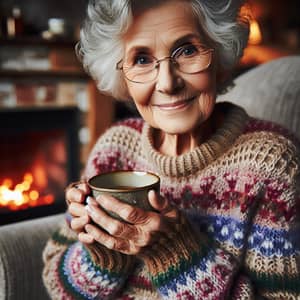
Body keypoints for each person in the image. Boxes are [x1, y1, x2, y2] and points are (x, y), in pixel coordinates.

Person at [42, 0, 300, 299]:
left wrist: (177, 254)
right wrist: (104, 256)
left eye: (188, 50)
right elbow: (56, 283)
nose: (167, 83)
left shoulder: (272, 164)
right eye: (141, 59)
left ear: (220, 55)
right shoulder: (114, 148)